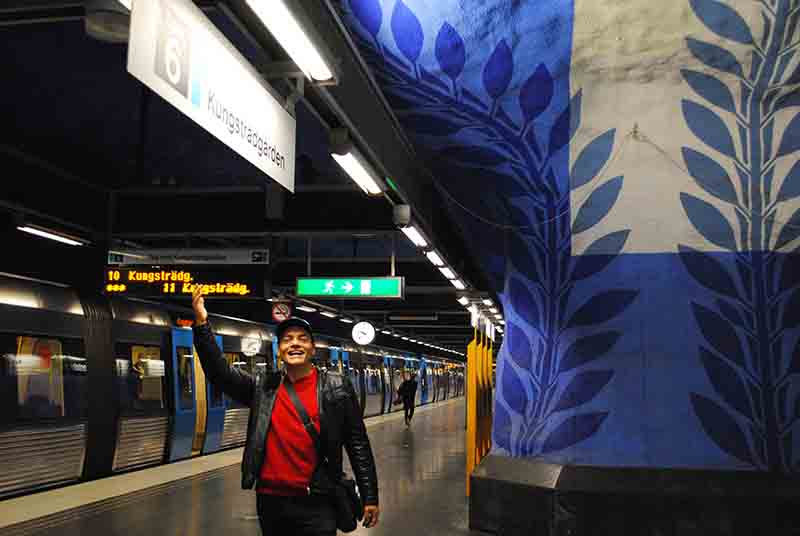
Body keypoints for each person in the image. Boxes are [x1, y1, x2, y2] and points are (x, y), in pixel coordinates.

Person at [191, 288, 380, 535]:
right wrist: (202, 325)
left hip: (319, 500)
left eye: (302, 339)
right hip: (271, 501)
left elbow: (357, 443)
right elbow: (220, 374)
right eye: (287, 339)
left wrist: (370, 495)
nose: (295, 344)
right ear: (280, 350)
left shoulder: (336, 386)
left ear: (313, 349)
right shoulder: (264, 387)